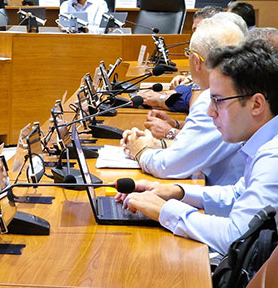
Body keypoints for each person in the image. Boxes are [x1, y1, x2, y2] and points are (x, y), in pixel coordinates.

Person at [118, 39, 278, 255]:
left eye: (218, 101)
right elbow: (237, 194)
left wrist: (164, 210)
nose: (210, 112)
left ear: (256, 104)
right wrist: (177, 192)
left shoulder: (273, 157)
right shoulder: (264, 142)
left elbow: (236, 237)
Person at [121, 18, 245, 186]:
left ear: (196, 61)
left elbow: (168, 167)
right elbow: (201, 148)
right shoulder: (244, 89)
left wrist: (140, 150)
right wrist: (158, 143)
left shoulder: (215, 100)